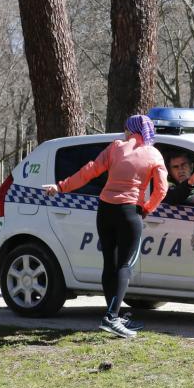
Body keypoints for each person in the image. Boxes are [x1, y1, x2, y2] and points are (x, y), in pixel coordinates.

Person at [45, 115, 167, 338]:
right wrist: (147, 208)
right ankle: (111, 318)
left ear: (130, 131)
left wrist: (61, 186)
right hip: (130, 212)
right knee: (125, 266)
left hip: (105, 210)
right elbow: (162, 189)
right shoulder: (153, 154)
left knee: (109, 263)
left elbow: (89, 170)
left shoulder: (115, 147)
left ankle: (115, 314)